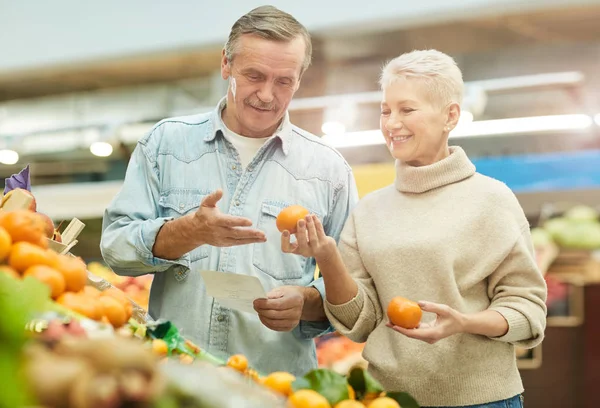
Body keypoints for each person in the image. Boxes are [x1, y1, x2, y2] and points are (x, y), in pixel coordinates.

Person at [100, 5, 358, 376]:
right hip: (172, 378)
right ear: (226, 65)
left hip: (275, 389)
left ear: (299, 79)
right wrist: (184, 232)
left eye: (284, 81)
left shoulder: (328, 171)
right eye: (254, 75)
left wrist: (309, 301)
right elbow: (116, 249)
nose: (267, 95)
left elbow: (354, 292)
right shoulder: (166, 144)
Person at [281, 49, 547, 407]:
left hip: (481, 400)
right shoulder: (369, 211)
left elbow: (528, 309)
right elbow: (359, 322)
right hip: (386, 398)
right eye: (385, 110)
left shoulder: (492, 200)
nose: (391, 123)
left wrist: (464, 322)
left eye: (407, 110)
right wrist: (327, 257)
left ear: (450, 115)